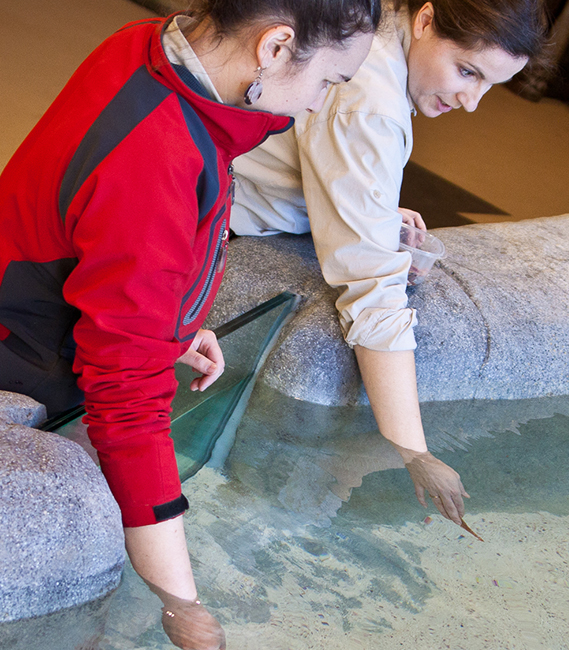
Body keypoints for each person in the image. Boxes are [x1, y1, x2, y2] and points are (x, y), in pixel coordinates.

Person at [0, 1, 380, 647]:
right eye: (329, 82)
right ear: (275, 47)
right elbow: (125, 404)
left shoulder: (146, 47)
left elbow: (100, 235)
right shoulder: (158, 159)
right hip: (24, 357)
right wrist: (182, 604)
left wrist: (172, 321)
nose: (318, 104)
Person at [230, 0, 549, 527]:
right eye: (467, 71)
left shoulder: (373, 33)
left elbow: (315, 143)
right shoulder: (370, 100)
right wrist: (414, 453)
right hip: (215, 218)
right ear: (425, 20)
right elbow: (372, 291)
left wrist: (373, 211)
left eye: (490, 84)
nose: (471, 102)